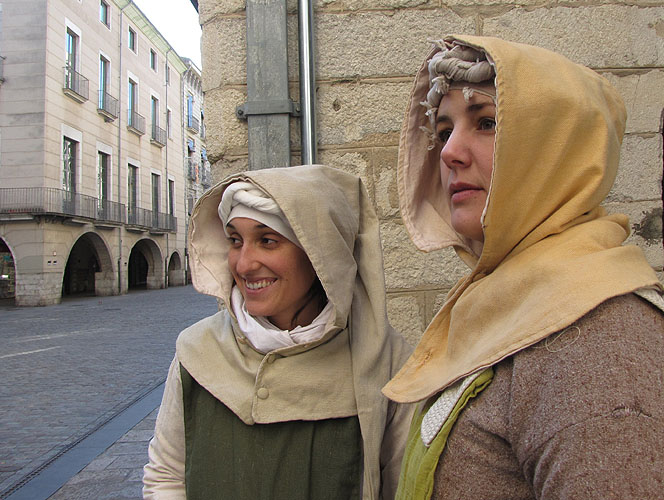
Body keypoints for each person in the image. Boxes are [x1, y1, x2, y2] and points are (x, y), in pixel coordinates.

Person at [382, 35, 664, 499]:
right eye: (445, 130)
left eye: (487, 123)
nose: (449, 152)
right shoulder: (512, 301)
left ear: (557, 150)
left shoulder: (600, 341)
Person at [143, 164, 413, 499]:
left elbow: (406, 489)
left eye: (267, 241)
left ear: (321, 254)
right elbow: (166, 476)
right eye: (235, 240)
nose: (244, 264)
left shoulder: (387, 362)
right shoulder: (198, 350)